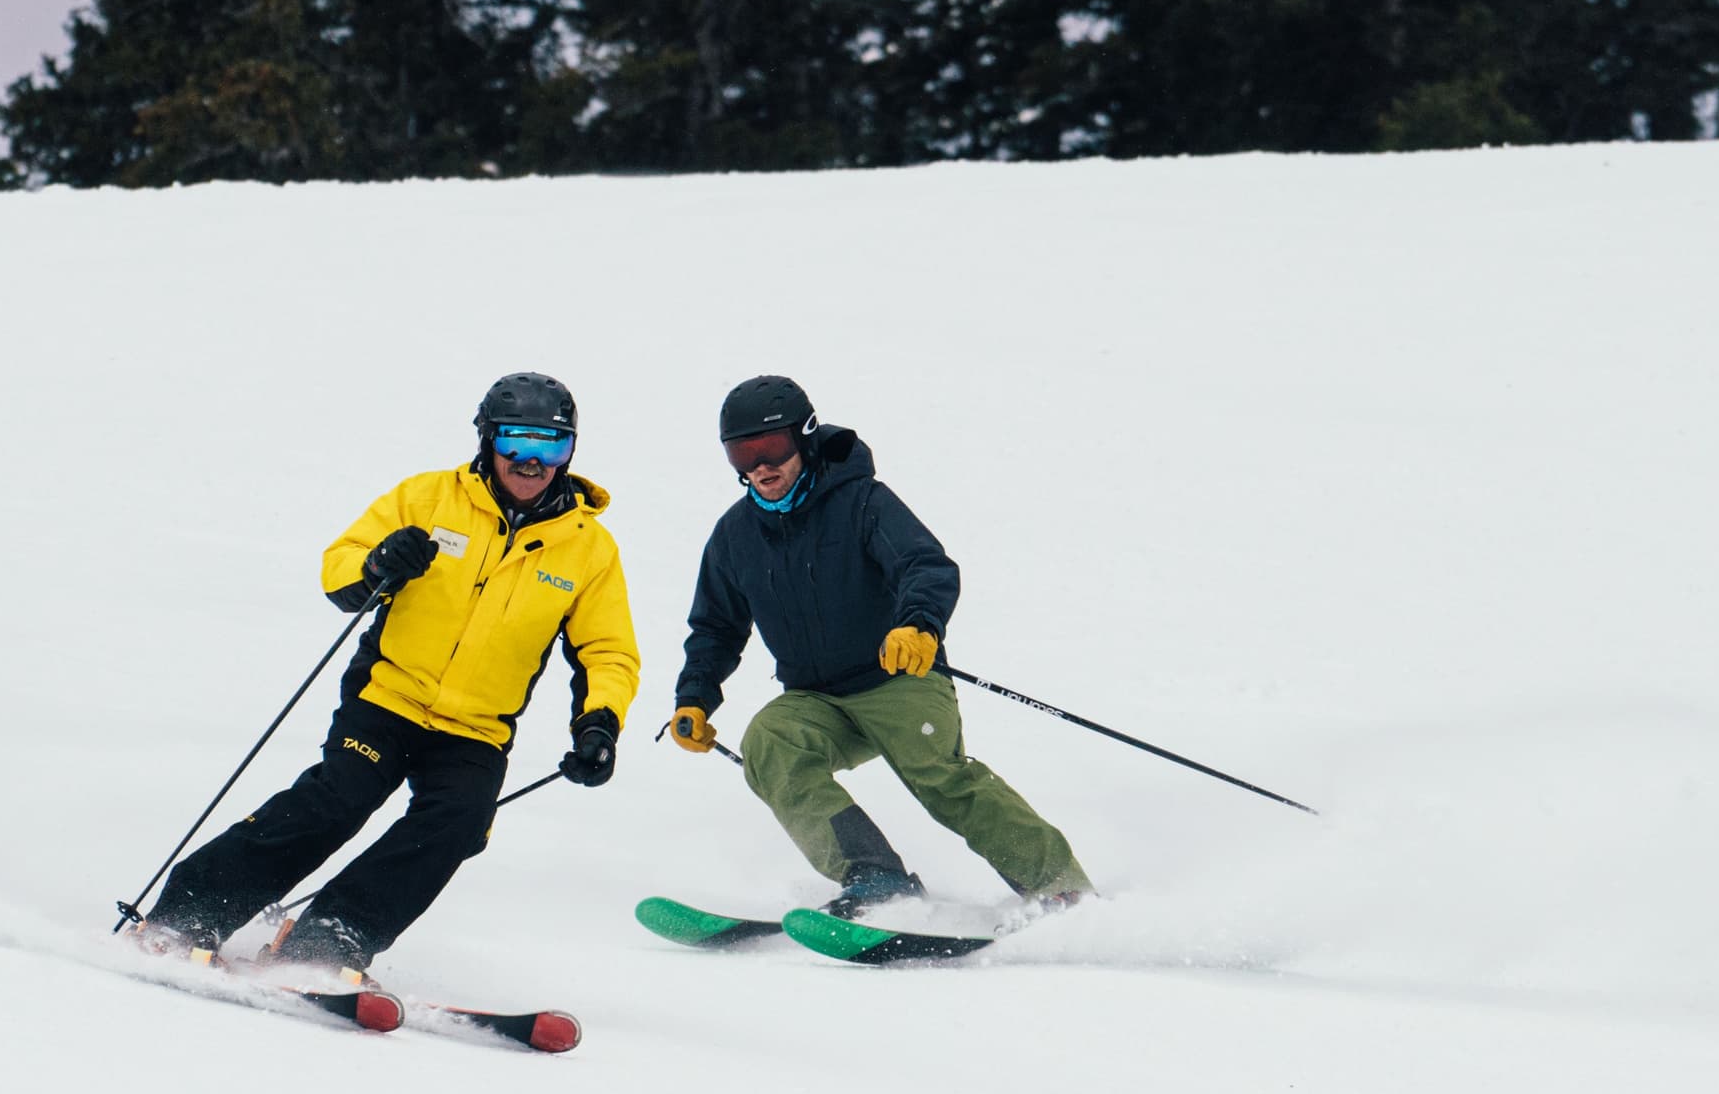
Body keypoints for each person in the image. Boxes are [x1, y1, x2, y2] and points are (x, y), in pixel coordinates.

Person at [138, 373, 641, 973]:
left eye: (551, 447)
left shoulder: (588, 548)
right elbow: (339, 568)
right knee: (339, 800)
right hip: (387, 699)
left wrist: (600, 724)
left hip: (476, 729)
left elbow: (606, 650)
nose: (532, 463)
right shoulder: (428, 498)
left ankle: (333, 935)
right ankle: (191, 911)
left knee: (459, 824)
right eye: (517, 444)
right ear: (487, 441)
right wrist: (380, 562)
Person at [667, 375, 1089, 916]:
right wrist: (694, 697)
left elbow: (926, 566)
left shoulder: (861, 502)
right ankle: (875, 879)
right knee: (770, 742)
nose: (760, 468)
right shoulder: (735, 535)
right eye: (742, 455)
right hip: (817, 699)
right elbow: (716, 628)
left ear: (806, 438)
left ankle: (1060, 887)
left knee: (941, 780)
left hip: (897, 677)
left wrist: (919, 625)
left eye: (771, 449)